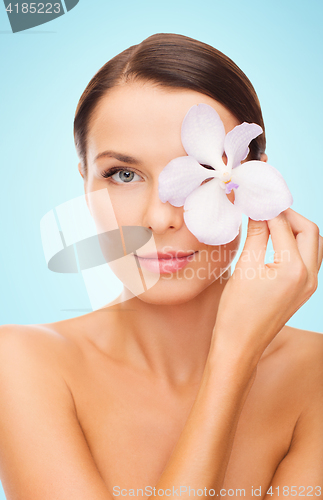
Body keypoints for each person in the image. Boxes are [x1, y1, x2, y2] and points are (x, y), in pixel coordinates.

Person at [0, 33, 322, 500]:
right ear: (84, 184)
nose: (158, 218)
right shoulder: (21, 364)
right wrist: (230, 363)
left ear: (255, 179)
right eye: (123, 175)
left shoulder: (314, 375)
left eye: (194, 173)